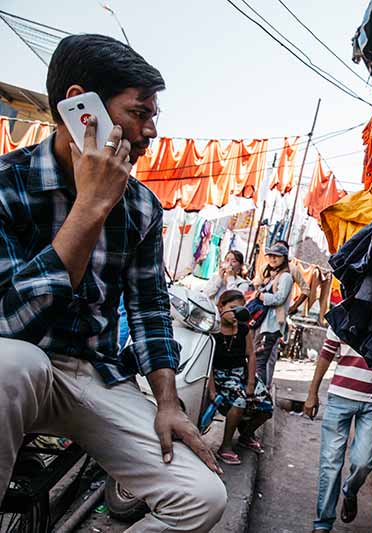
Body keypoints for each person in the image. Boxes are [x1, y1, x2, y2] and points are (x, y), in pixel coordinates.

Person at [0, 34, 226, 532]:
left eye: (153, 117)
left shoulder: (142, 205)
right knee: (11, 363)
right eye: (138, 112)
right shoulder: (6, 183)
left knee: (203, 498)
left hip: (96, 376)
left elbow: (148, 310)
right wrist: (90, 206)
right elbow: (10, 322)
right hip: (16, 368)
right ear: (83, 111)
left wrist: (168, 402)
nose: (148, 132)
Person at [304, 327, 372, 532]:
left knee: (363, 463)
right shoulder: (343, 314)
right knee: (330, 463)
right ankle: (323, 523)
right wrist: (312, 393)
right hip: (339, 397)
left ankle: (350, 491)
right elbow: (326, 354)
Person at [208, 290, 273, 465]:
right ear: (221, 306)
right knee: (239, 401)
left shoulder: (244, 329)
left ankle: (244, 436)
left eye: (240, 309)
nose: (236, 313)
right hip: (221, 376)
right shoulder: (212, 330)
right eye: (232, 308)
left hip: (241, 374)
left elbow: (251, 355)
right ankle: (225, 447)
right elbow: (208, 364)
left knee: (267, 406)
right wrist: (212, 389)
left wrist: (251, 382)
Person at [254, 242, 293, 388]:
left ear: (284, 258)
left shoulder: (286, 277)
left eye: (277, 256)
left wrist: (262, 297)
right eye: (270, 256)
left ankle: (261, 392)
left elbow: (279, 298)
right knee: (259, 360)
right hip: (264, 324)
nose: (273, 259)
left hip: (272, 325)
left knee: (260, 362)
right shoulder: (272, 276)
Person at [273, 239, 311, 315]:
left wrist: (294, 306)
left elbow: (306, 290)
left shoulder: (292, 269)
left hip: (282, 308)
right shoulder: (266, 267)